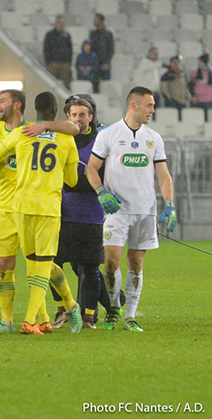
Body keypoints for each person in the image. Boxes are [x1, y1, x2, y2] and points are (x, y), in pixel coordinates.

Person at [0, 90, 81, 334]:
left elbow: (72, 128)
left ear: (17, 105)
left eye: (1, 101)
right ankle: (7, 322)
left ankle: (54, 311)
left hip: (28, 205)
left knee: (40, 265)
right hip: (6, 208)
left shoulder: (31, 130)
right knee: (4, 264)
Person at [87, 86, 176, 332]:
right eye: (149, 105)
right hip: (117, 211)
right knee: (111, 263)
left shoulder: (154, 138)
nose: (153, 110)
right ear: (133, 106)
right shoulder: (109, 135)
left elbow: (164, 175)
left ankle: (130, 316)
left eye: (153, 106)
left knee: (136, 264)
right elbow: (91, 169)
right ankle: (113, 310)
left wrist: (169, 204)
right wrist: (101, 192)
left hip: (145, 211)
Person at [51, 97, 105, 329]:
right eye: (73, 115)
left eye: (82, 115)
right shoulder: (60, 140)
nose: (78, 119)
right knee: (53, 262)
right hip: (60, 213)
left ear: (90, 117)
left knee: (89, 267)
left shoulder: (101, 143)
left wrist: (73, 183)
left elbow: (103, 177)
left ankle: (89, 317)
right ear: (67, 118)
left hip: (90, 214)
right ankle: (62, 310)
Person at [43, 16, 73, 89]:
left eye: (62, 23)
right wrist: (48, 62)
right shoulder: (49, 35)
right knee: (50, 83)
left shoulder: (66, 35)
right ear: (55, 23)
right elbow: (46, 49)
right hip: (52, 63)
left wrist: (68, 62)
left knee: (65, 85)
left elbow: (70, 49)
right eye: (59, 22)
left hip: (64, 64)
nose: (61, 24)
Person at [90, 13, 114, 83]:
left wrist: (107, 62)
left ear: (101, 21)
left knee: (106, 84)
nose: (94, 21)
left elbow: (111, 49)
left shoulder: (108, 34)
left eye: (96, 20)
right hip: (94, 64)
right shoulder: (92, 34)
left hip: (104, 63)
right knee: (94, 84)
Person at [190, 52, 212, 121]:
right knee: (198, 118)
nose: (199, 63)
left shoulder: (210, 72)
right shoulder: (195, 72)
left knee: (208, 118)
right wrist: (193, 95)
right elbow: (191, 85)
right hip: (198, 99)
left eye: (200, 61)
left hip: (209, 99)